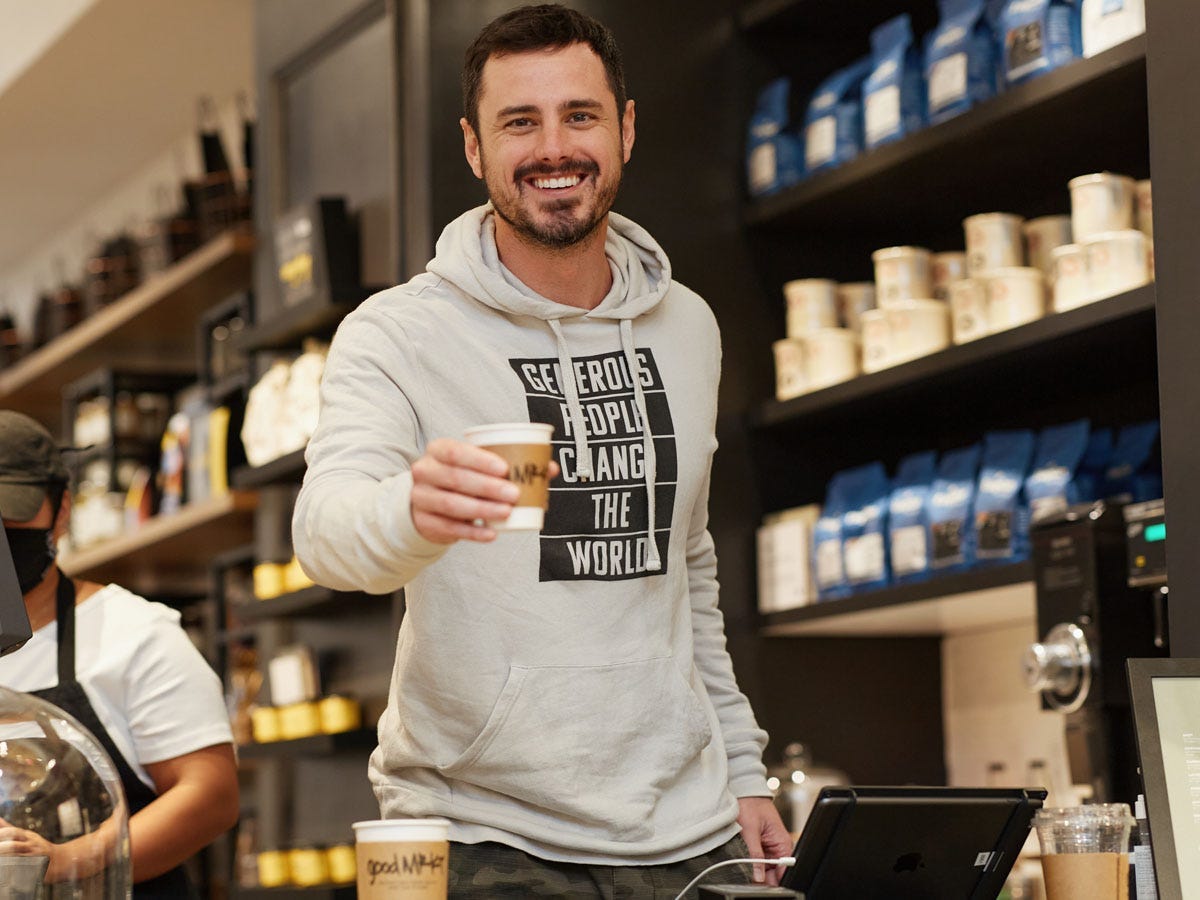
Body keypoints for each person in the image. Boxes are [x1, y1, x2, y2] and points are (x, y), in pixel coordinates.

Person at [292, 4, 791, 895]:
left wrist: (744, 769)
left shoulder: (687, 328)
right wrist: (411, 509)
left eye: (580, 115)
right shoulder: (397, 334)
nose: (554, 147)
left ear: (626, 129)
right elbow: (326, 534)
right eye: (519, 122)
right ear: (474, 149)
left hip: (689, 832)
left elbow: (687, 562)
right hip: (482, 840)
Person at [0, 411, 239, 898]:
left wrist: (69, 861)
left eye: (12, 512)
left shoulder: (134, 635)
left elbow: (210, 795)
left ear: (62, 511)